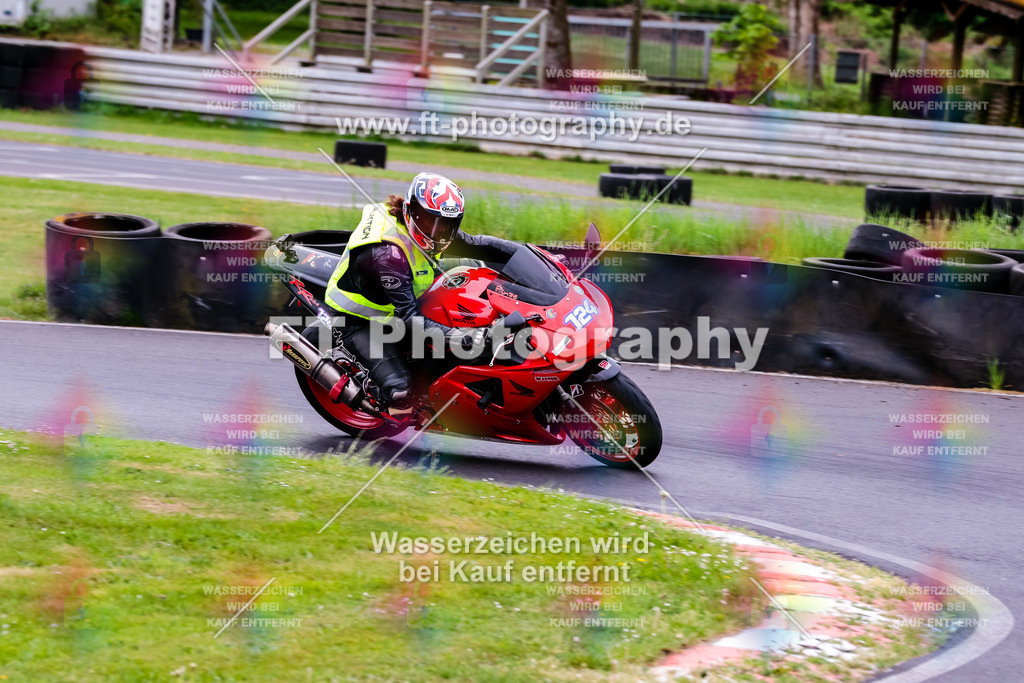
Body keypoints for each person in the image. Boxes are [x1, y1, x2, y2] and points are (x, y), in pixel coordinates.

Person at [324, 172, 518, 410]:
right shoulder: (388, 255)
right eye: (430, 221)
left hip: (405, 294)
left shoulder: (432, 231)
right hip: (360, 320)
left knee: (478, 271)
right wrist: (467, 338)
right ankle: (370, 399)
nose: (438, 231)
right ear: (411, 210)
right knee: (402, 394)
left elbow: (477, 244)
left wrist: (531, 254)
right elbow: (411, 321)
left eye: (447, 224)